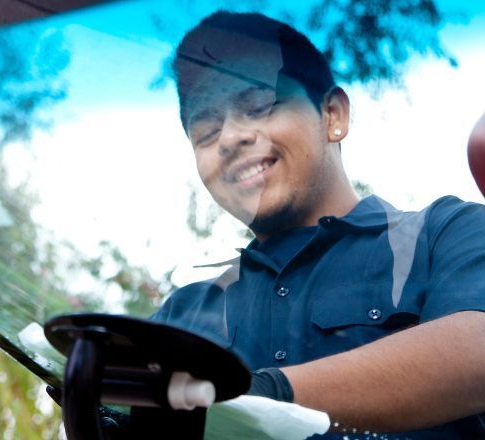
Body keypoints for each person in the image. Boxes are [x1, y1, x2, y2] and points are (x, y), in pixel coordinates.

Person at [148, 11, 485, 438]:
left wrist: (265, 397)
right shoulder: (180, 314)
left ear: (333, 115)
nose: (231, 138)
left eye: (260, 105)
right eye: (208, 132)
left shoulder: (448, 234)